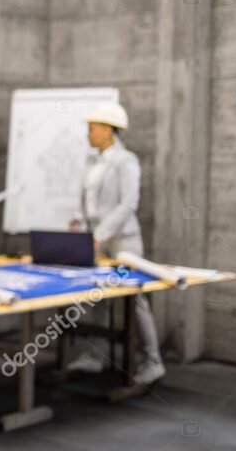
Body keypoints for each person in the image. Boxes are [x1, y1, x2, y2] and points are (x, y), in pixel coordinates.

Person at [67, 102, 165, 385]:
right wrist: (79, 223)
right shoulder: (92, 161)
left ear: (109, 130)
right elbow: (89, 202)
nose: (88, 133)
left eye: (92, 128)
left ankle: (152, 361)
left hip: (124, 243)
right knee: (98, 297)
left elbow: (128, 203)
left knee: (134, 300)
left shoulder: (126, 161)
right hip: (98, 241)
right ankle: (97, 356)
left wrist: (101, 233)